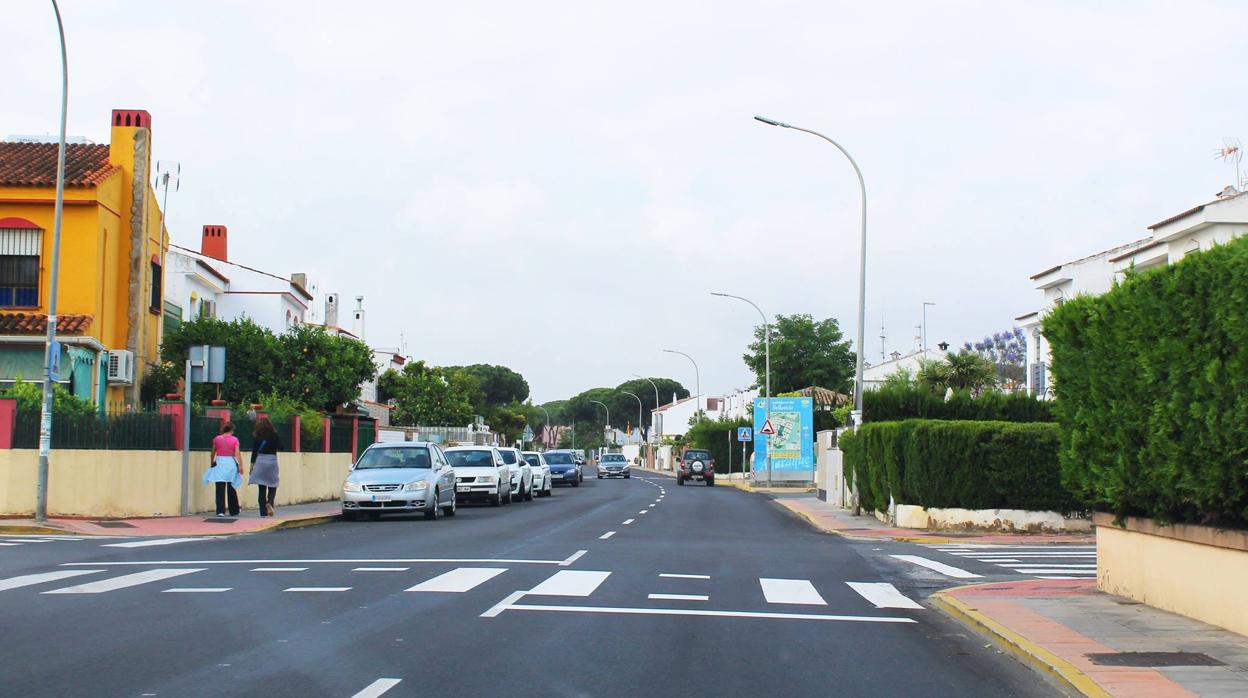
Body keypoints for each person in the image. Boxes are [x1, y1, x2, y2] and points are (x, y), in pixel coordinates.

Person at [204, 421, 243, 518]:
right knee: (231, 487)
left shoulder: (217, 439)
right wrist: (241, 465)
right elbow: (237, 453)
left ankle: (220, 511)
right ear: (231, 430)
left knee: (219, 487)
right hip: (231, 464)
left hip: (220, 463)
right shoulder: (234, 440)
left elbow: (213, 452)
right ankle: (234, 510)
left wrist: (212, 462)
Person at [250, 417, 283, 517]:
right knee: (273, 484)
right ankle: (270, 502)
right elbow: (282, 447)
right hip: (271, 461)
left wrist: (252, 466)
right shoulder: (274, 435)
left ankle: (263, 513)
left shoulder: (258, 436)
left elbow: (254, 452)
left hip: (260, 462)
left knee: (261, 487)